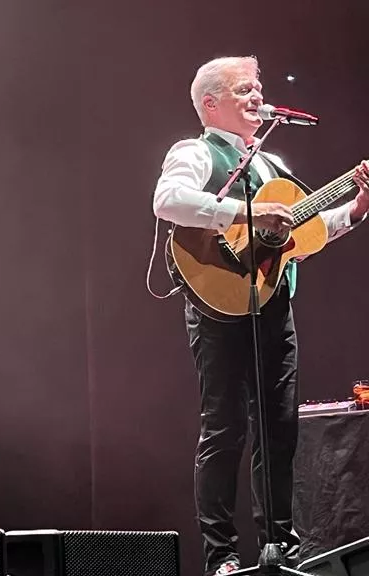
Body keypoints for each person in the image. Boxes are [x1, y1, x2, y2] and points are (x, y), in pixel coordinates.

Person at [153, 55, 369, 576]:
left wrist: (355, 209)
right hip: (218, 305)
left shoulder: (274, 167)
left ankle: (279, 548)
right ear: (211, 102)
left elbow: (302, 236)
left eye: (259, 88)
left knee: (279, 427)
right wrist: (242, 213)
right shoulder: (195, 151)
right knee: (224, 428)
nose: (257, 97)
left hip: (274, 306)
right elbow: (168, 201)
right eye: (245, 89)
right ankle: (222, 556)